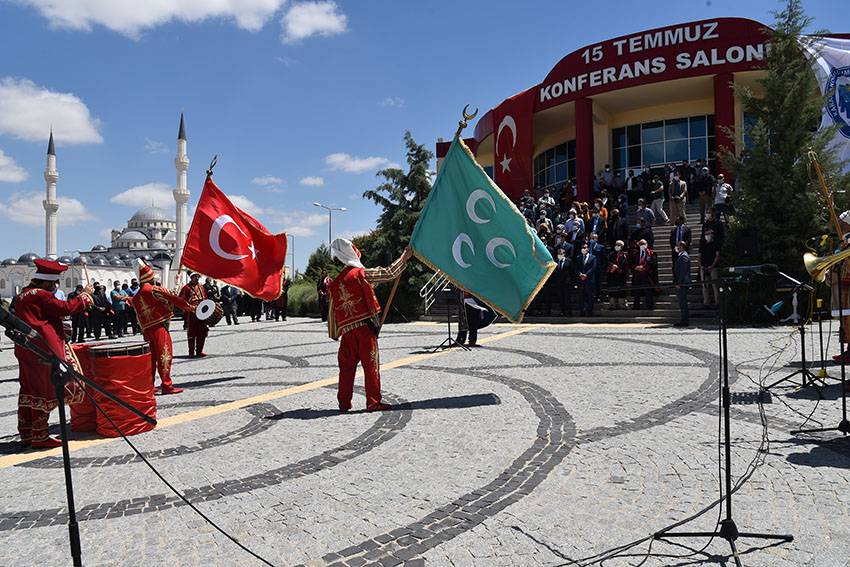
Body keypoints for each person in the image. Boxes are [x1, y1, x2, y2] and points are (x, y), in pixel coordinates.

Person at [12, 259, 94, 448]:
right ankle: (40, 436)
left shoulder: (23, 294)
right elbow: (66, 309)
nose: (54, 286)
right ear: (49, 282)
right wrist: (85, 296)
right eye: (54, 283)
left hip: (26, 348)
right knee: (43, 389)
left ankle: (26, 432)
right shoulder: (42, 295)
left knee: (28, 388)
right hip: (43, 348)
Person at [327, 238, 412, 412]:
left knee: (346, 368)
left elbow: (333, 311)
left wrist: (335, 332)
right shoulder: (360, 274)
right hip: (365, 330)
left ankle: (344, 403)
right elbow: (387, 273)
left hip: (347, 332)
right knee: (370, 366)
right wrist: (404, 257)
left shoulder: (336, 283)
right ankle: (373, 402)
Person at [129, 261, 195, 394]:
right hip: (159, 327)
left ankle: (150, 385)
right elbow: (172, 297)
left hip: (146, 330)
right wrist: (189, 307)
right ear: (150, 277)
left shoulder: (135, 297)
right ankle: (166, 384)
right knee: (165, 355)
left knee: (151, 358)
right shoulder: (153, 290)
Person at [179, 272, 209, 357]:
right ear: (191, 277)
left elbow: (205, 298)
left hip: (202, 312)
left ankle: (199, 351)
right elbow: (181, 300)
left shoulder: (201, 287)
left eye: (198, 276)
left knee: (202, 331)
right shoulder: (186, 288)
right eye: (195, 277)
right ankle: (191, 352)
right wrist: (189, 307)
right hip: (191, 313)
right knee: (192, 332)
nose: (197, 278)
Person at [631, 239, 658, 310]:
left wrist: (644, 267)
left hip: (647, 275)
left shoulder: (651, 253)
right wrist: (636, 267)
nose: (642, 245)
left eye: (644, 243)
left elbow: (653, 263)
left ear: (647, 244)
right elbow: (632, 263)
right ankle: (636, 306)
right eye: (641, 244)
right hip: (638, 274)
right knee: (637, 291)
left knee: (648, 291)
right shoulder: (635, 254)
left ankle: (649, 306)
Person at [699, 228, 721, 307]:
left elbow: (717, 256)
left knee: (715, 286)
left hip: (713, 267)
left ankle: (717, 303)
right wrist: (700, 265)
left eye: (708, 234)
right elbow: (699, 256)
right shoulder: (703, 244)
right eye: (706, 234)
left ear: (712, 234)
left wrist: (712, 266)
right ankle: (706, 303)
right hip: (704, 267)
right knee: (705, 286)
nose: (707, 236)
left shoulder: (716, 244)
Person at [673, 241, 691, 327]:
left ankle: (685, 320)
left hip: (683, 283)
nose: (676, 248)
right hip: (681, 282)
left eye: (678, 246)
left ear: (682, 247)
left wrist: (679, 283)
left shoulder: (684, 256)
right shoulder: (681, 256)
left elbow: (683, 272)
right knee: (682, 302)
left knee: (683, 302)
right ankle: (683, 319)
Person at [577, 243, 598, 317]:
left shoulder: (593, 257)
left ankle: (589, 311)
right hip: (581, 280)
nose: (583, 249)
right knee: (581, 296)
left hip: (589, 280)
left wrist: (586, 274)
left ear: (588, 249)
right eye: (582, 247)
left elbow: (593, 268)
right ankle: (582, 311)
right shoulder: (578, 257)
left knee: (590, 296)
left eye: (585, 247)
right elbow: (576, 268)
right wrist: (580, 274)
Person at [607, 240, 630, 310]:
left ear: (622, 247)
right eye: (616, 244)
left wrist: (618, 268)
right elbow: (608, 262)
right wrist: (612, 266)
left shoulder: (624, 255)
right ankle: (612, 305)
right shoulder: (611, 254)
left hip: (621, 276)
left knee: (622, 291)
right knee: (612, 290)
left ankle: (622, 305)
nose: (617, 246)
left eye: (619, 245)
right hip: (612, 275)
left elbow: (625, 265)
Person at [552, 245, 574, 316]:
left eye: (561, 253)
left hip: (567, 283)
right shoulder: (556, 262)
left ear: (564, 254)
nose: (559, 255)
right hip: (559, 283)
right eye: (558, 254)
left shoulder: (569, 261)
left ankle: (569, 312)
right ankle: (562, 311)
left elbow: (572, 272)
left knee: (567, 298)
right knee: (561, 298)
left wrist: (572, 282)